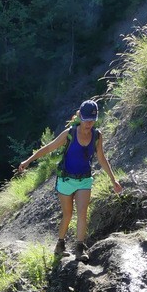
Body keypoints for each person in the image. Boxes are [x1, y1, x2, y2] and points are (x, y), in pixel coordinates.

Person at [18, 100, 122, 262]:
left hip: (84, 180)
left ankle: (79, 248)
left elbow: (101, 158)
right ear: (80, 116)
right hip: (66, 179)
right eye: (86, 119)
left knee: (82, 214)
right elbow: (48, 148)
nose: (89, 123)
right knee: (67, 214)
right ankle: (60, 245)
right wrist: (28, 161)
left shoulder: (97, 135)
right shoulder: (70, 133)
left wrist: (113, 179)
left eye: (92, 120)